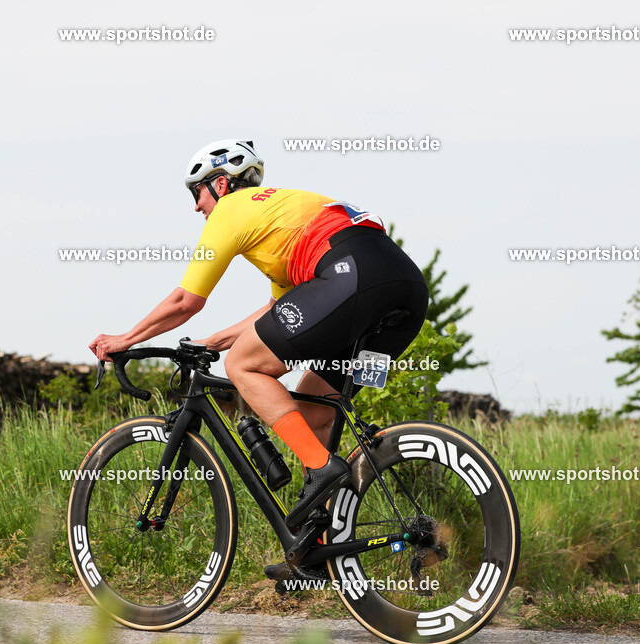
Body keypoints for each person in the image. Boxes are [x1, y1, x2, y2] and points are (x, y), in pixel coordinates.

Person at [90, 139, 429, 527]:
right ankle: (321, 543)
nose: (195, 206)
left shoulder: (231, 209)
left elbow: (186, 299)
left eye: (196, 191)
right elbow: (277, 311)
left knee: (244, 366)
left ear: (219, 185)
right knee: (315, 413)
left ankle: (322, 469)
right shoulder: (278, 214)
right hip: (406, 292)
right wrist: (208, 343)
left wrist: (124, 339)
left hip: (350, 277)